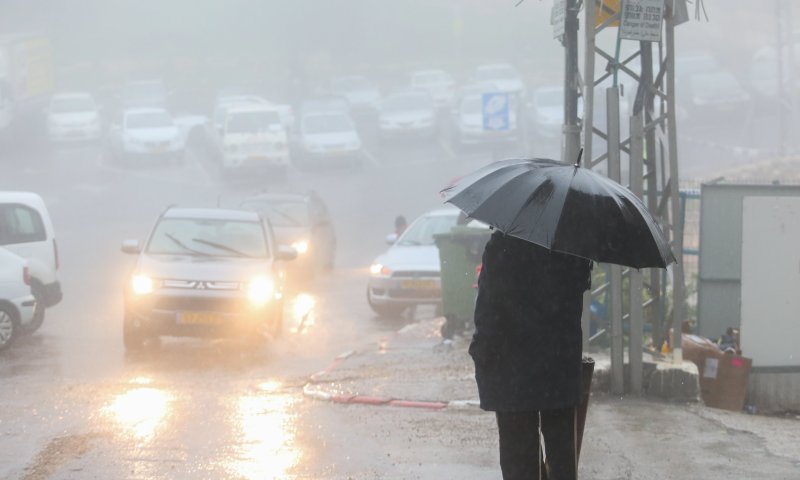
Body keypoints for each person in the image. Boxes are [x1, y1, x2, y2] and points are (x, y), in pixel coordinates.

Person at [469, 231, 592, 480]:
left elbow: (488, 310)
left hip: (512, 369)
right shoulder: (572, 246)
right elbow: (576, 295)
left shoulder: (502, 245)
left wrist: (481, 351)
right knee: (561, 456)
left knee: (519, 456)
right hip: (559, 365)